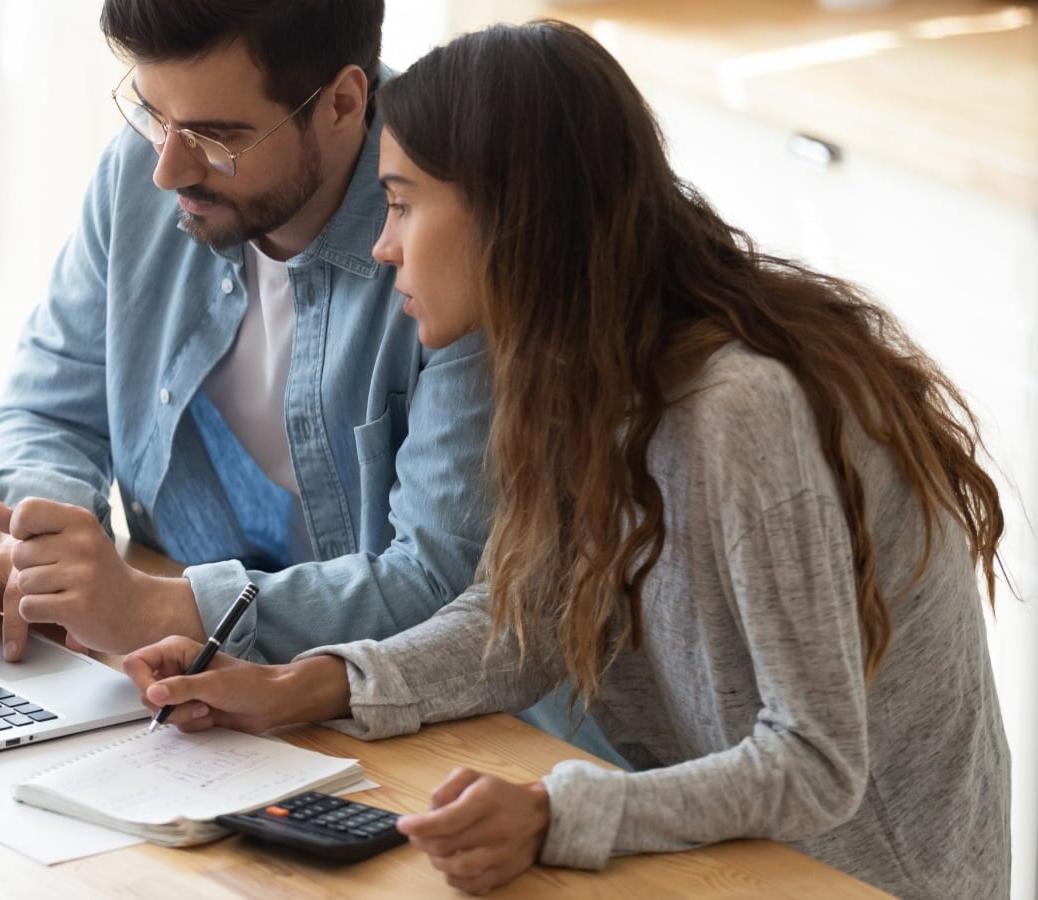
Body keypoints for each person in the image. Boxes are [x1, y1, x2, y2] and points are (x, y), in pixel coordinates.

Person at [123, 20, 1011, 899]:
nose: (384, 243)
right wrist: (300, 687)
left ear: (515, 216)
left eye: (401, 202)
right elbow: (525, 622)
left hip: (860, 878)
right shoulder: (575, 373)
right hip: (726, 858)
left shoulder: (738, 409)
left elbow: (816, 764)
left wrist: (556, 814)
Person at [0, 0, 499, 673]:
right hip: (170, 688)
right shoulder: (144, 165)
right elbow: (53, 403)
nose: (167, 171)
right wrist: (44, 543)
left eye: (216, 137)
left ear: (341, 102)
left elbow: (441, 586)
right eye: (153, 113)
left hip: (383, 713)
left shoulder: (461, 230)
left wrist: (158, 609)